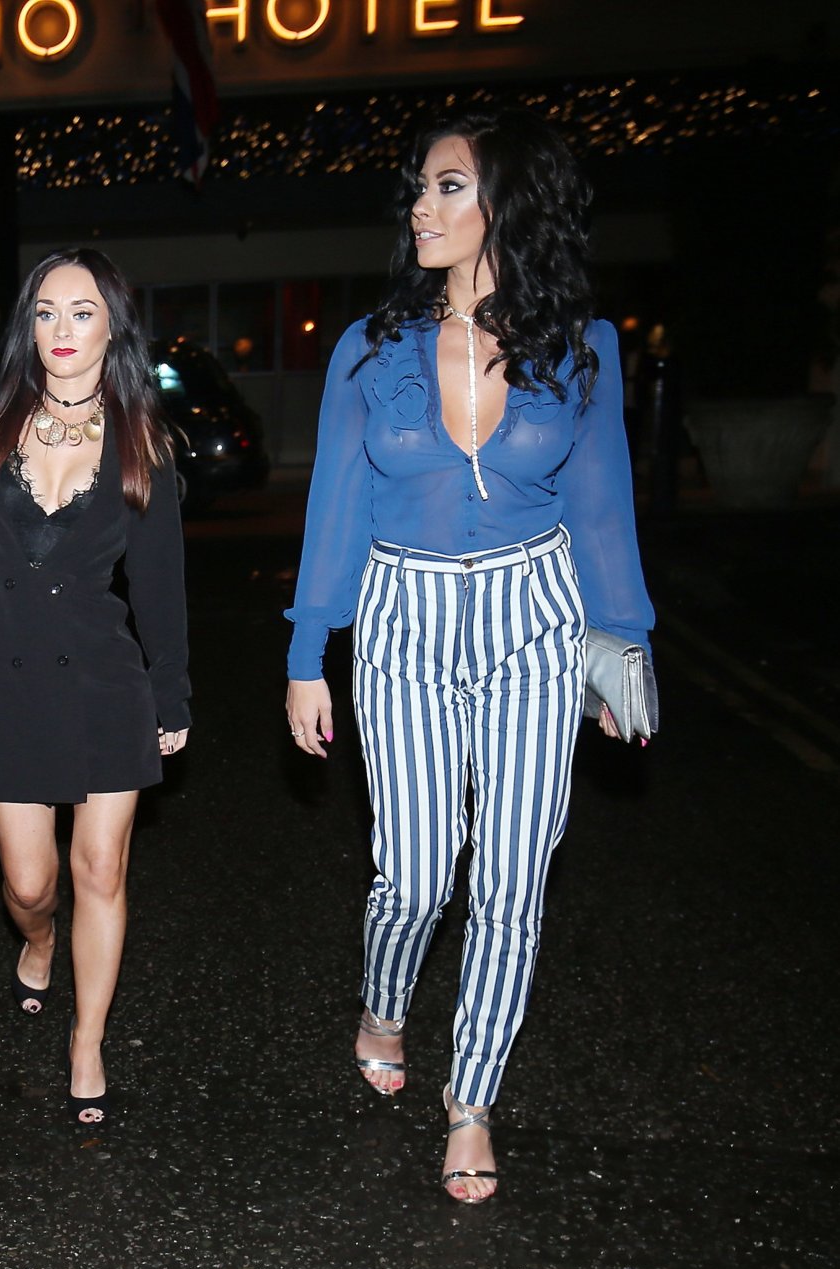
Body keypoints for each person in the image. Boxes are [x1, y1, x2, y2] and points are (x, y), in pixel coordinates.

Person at [284, 109, 654, 1204]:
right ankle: (384, 1001)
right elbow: (336, 505)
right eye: (420, 186)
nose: (421, 205)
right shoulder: (371, 347)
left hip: (535, 616)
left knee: (511, 879)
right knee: (414, 874)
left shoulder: (583, 346)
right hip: (402, 614)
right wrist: (308, 652)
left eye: (448, 185)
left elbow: (602, 505)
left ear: (509, 202)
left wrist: (623, 645)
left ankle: (472, 1099)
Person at [0, 247, 190, 1126]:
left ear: (112, 326)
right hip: (3, 681)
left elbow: (159, 585)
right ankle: (39, 940)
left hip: (103, 684)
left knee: (101, 868)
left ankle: (88, 1041)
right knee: (30, 883)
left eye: (82, 313)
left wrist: (171, 695)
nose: (62, 330)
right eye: (46, 312)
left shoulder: (142, 438)